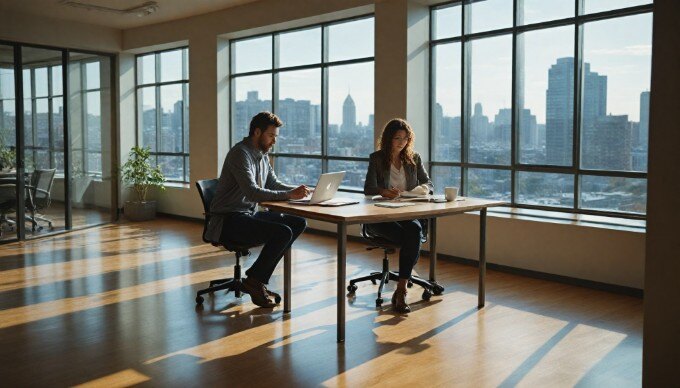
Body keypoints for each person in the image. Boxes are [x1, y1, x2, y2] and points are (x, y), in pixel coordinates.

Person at [206, 111, 310, 308]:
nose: (273, 141)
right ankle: (255, 280)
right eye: (271, 136)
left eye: (275, 137)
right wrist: (290, 195)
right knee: (282, 232)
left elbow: (273, 183)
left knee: (298, 223)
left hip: (247, 215)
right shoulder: (240, 154)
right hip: (228, 220)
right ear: (257, 132)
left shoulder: (262, 155)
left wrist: (298, 191)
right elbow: (253, 193)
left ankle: (256, 279)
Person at [364, 118, 433, 313]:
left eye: (405, 138)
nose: (401, 142)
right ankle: (403, 285)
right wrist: (384, 192)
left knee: (415, 229)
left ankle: (400, 289)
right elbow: (368, 188)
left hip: (407, 212)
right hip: (382, 216)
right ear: (388, 139)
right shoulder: (377, 158)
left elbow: (429, 183)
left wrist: (421, 189)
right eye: (397, 138)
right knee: (414, 237)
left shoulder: (414, 158)